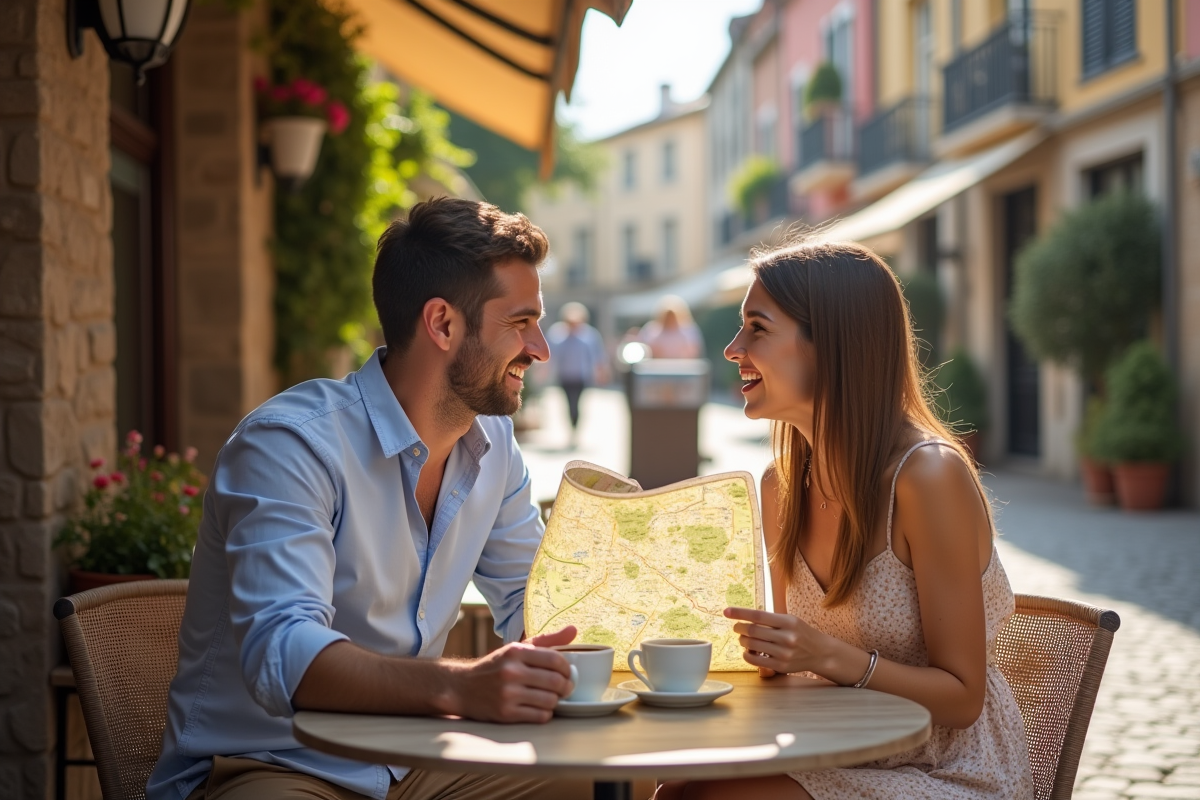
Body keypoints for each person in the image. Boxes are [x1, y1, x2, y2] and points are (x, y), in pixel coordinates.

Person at [148, 198, 590, 800]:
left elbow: (540, 607)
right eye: (520, 322)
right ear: (442, 324)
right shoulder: (291, 446)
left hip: (417, 761)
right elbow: (284, 654)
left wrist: (621, 563)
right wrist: (462, 688)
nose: (540, 348)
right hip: (272, 766)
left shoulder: (494, 445)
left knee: (609, 781)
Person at [656, 240, 1034, 799]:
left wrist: (826, 655)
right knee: (674, 785)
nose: (733, 349)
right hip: (834, 746)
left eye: (758, 328)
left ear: (831, 346)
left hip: (950, 769)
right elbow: (786, 668)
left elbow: (962, 698)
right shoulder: (779, 487)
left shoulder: (927, 477)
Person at [546, 302, 609, 446]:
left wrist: (601, 373)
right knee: (569, 403)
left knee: (577, 403)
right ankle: (571, 428)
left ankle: (575, 428)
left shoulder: (589, 335)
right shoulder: (558, 335)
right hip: (565, 376)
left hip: (581, 376)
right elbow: (552, 356)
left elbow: (597, 356)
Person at [637, 295, 704, 359]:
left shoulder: (688, 330)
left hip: (681, 367)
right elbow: (648, 350)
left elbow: (693, 351)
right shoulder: (652, 331)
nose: (670, 319)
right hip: (659, 367)